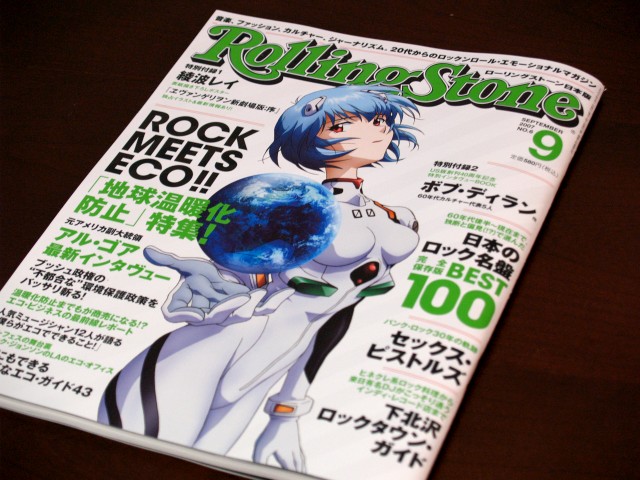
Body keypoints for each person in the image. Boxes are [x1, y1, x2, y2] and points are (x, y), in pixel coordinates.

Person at [98, 85, 420, 473]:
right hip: (207, 350)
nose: (378, 129)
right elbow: (246, 262)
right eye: (342, 125)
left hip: (262, 373)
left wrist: (286, 414)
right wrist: (219, 280)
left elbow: (332, 316)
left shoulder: (395, 217)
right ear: (312, 138)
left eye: (381, 120)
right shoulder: (291, 205)